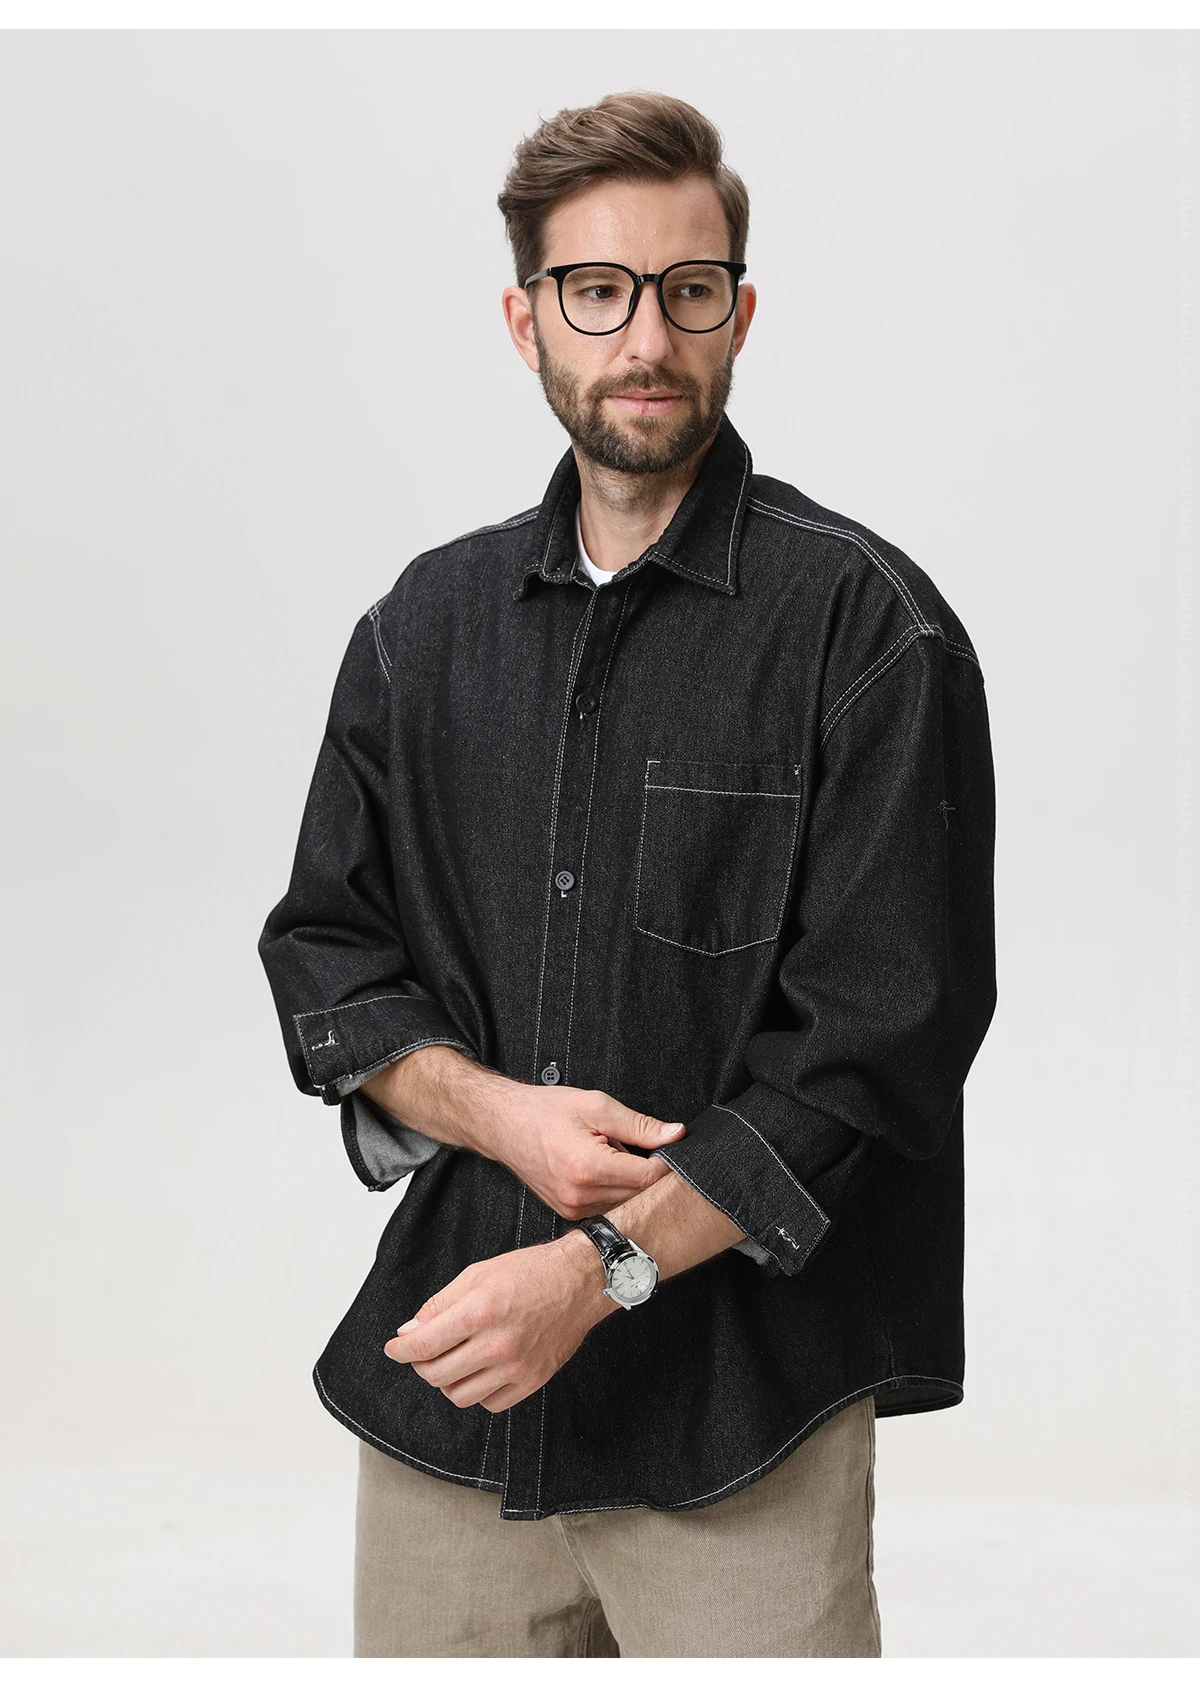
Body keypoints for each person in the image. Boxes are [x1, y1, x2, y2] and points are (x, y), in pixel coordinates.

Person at [258, 89, 997, 1659]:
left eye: (689, 289)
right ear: (525, 320)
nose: (646, 337)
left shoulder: (869, 633)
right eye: (597, 290)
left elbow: (878, 1042)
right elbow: (327, 955)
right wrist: (496, 1114)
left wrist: (601, 1274)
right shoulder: (421, 631)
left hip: (744, 1422)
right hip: (457, 1398)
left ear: (742, 314)